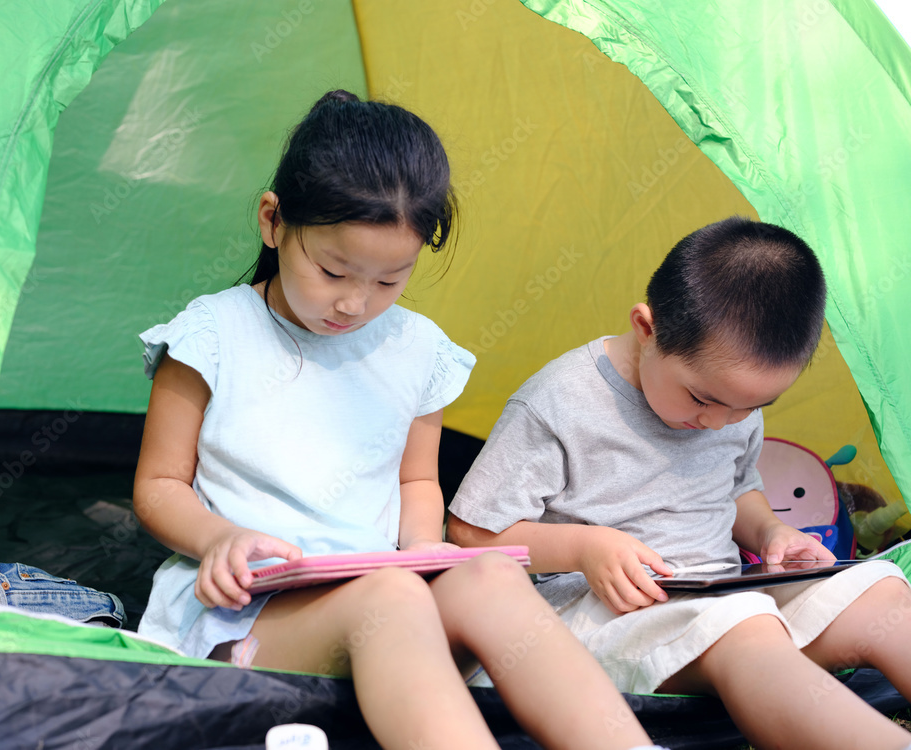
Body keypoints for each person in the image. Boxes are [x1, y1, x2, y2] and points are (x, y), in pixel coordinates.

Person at [133, 90, 664, 750]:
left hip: (384, 604)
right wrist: (218, 540)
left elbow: (417, 485)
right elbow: (158, 486)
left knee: (487, 575)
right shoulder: (213, 333)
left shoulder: (419, 352)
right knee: (391, 598)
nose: (355, 302)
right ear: (274, 222)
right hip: (242, 620)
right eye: (332, 270)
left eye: (391, 280)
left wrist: (420, 548)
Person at [447, 217, 911, 750]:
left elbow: (735, 489)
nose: (719, 422)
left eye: (751, 407)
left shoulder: (729, 402)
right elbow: (469, 533)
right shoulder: (559, 403)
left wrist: (770, 535)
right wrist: (584, 547)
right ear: (647, 329)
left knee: (881, 591)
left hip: (722, 597)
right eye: (701, 399)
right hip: (595, 623)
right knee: (742, 627)